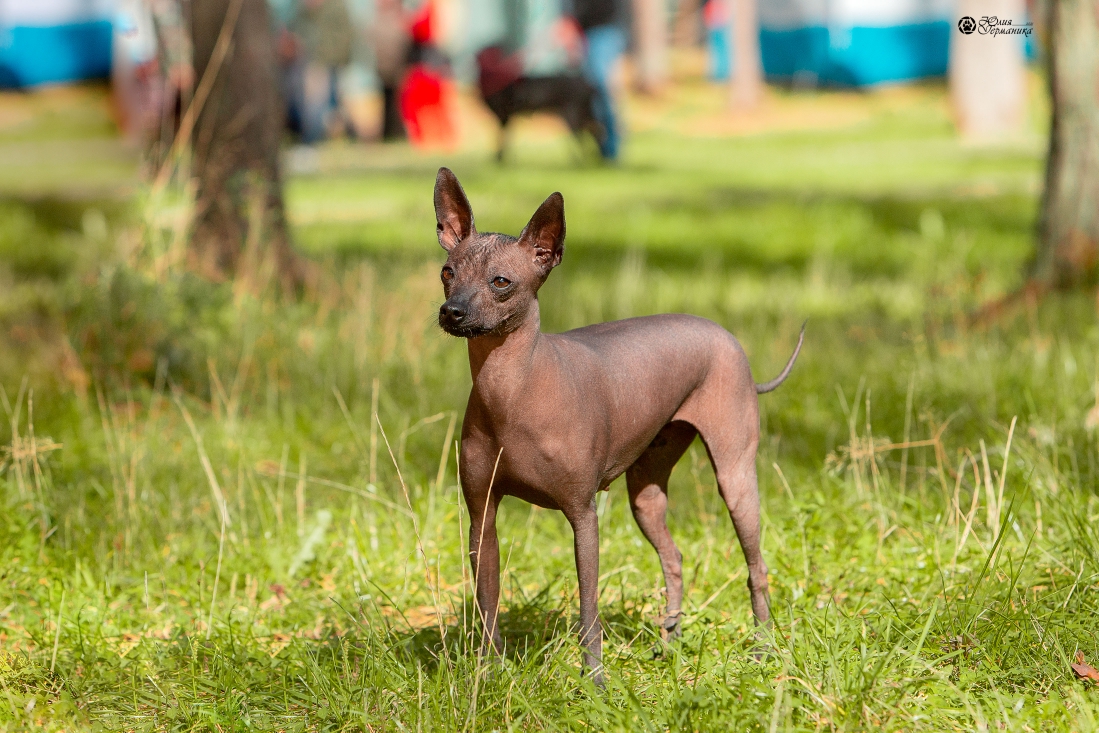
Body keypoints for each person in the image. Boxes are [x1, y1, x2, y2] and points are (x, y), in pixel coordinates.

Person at [280, 0, 354, 144]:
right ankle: (351, 136)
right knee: (324, 105)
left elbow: (345, 37)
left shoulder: (336, 8)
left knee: (318, 105)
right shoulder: (300, 9)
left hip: (324, 63)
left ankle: (309, 142)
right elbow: (294, 31)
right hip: (306, 63)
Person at [564, 0, 627, 161]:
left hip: (603, 30)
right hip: (583, 32)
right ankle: (600, 147)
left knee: (601, 87)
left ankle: (611, 149)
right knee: (587, 94)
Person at [371, 0, 410, 140]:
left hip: (396, 66)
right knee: (388, 101)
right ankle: (388, 133)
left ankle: (397, 133)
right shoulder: (386, 18)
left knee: (397, 102)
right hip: (385, 66)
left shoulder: (398, 18)